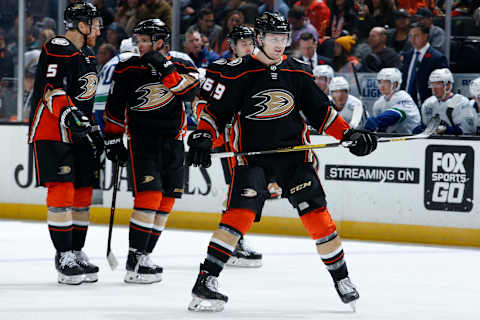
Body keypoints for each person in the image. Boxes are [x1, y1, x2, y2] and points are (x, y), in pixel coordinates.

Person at [185, 12, 377, 312]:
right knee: (239, 216)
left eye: (284, 38)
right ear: (259, 39)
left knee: (317, 216)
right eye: (275, 38)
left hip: (294, 158)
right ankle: (206, 279)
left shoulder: (298, 71)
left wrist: (349, 135)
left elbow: (322, 113)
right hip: (252, 159)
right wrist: (202, 136)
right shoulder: (238, 73)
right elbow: (214, 113)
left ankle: (342, 279)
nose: (281, 44)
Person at [103, 19, 199, 284]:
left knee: (167, 199)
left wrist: (165, 67)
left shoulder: (181, 65)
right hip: (142, 142)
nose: (140, 45)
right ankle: (134, 260)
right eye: (139, 40)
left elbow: (188, 92)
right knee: (150, 196)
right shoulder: (127, 68)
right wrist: (112, 138)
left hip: (174, 142)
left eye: (146, 40)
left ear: (160, 42)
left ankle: (144, 255)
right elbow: (114, 106)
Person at [27, 1, 103, 285]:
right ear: (81, 25)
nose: (98, 28)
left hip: (78, 132)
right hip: (52, 129)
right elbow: (51, 89)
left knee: (83, 191)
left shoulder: (89, 55)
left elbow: (86, 100)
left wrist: (93, 127)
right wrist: (68, 112)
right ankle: (63, 255)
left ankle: (77, 251)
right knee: (63, 190)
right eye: (94, 24)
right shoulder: (58, 46)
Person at [195, 25, 263, 268]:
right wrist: (212, 131)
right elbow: (202, 103)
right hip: (230, 141)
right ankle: (233, 241)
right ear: (232, 46)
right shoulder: (219, 69)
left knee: (249, 190)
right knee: (240, 189)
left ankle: (234, 239)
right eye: (242, 42)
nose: (248, 45)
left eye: (250, 41)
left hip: (254, 140)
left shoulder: (261, 68)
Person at [93, 38, 139, 133]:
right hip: (117, 107)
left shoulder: (111, 62)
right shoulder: (135, 60)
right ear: (135, 49)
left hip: (98, 105)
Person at [400, 22, 448, 107]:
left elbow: (442, 84)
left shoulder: (437, 57)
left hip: (426, 104)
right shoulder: (407, 56)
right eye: (410, 36)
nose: (412, 39)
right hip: (405, 103)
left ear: (425, 36)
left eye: (416, 36)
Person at [416, 68, 476, 135]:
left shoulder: (460, 101)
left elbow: (468, 131)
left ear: (448, 86)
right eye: (432, 84)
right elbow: (424, 127)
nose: (434, 88)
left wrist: (447, 130)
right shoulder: (429, 103)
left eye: (438, 84)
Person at [366, 68, 421, 134]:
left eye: (386, 82)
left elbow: (395, 115)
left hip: (412, 137)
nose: (382, 85)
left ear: (395, 84)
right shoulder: (378, 103)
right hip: (393, 139)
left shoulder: (403, 97)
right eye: (380, 82)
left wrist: (376, 121)